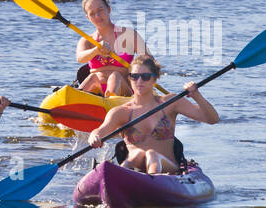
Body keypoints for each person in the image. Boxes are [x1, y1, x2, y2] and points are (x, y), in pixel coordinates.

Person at [88, 54, 217, 174]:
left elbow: (212, 119)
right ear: (129, 78)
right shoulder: (121, 112)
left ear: (154, 78)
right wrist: (94, 137)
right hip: (134, 167)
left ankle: (150, 182)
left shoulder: (170, 103)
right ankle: (119, 179)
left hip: (168, 168)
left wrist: (196, 95)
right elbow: (99, 131)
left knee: (151, 154)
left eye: (145, 77)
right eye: (134, 76)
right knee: (138, 154)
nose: (139, 81)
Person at [75, 0, 146, 97]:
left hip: (123, 91)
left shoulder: (129, 35)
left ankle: (110, 102)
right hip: (96, 90)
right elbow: (80, 58)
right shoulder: (87, 41)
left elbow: (149, 60)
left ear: (108, 9)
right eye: (92, 13)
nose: (97, 16)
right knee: (92, 77)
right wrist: (96, 50)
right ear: (88, 17)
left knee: (115, 76)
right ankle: (78, 99)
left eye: (100, 10)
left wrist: (137, 68)